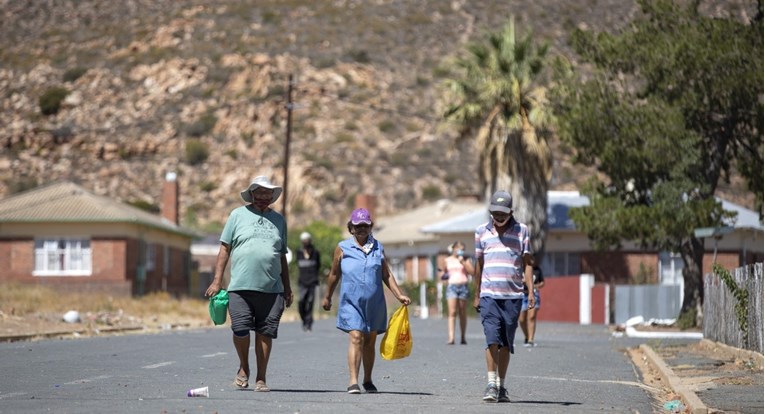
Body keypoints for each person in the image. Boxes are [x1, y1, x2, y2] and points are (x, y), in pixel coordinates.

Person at [205, 175, 294, 393]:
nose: (263, 197)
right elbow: (225, 248)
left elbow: (282, 255)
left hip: (272, 289)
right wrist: (217, 281)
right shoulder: (237, 215)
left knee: (265, 332)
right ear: (251, 194)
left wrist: (288, 287)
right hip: (240, 287)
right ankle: (244, 366)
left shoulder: (279, 220)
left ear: (272, 197)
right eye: (259, 193)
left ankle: (261, 378)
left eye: (267, 193)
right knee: (240, 329)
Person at [322, 208, 411, 394]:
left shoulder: (378, 247)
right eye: (358, 226)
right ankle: (353, 381)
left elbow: (386, 274)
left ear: (370, 227)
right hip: (351, 303)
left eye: (365, 225)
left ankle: (368, 379)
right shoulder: (342, 247)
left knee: (370, 341)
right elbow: (334, 274)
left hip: (375, 303)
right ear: (351, 228)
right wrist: (327, 296)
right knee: (356, 337)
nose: (362, 228)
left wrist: (399, 294)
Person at [473, 190, 534, 403]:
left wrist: (531, 291)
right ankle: (490, 384)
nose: (499, 217)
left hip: (513, 296)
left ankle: (501, 385)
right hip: (489, 294)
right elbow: (478, 266)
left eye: (503, 213)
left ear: (511, 212)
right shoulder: (481, 232)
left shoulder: (522, 231)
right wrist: (476, 294)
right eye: (495, 213)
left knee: (506, 343)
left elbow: (527, 263)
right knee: (492, 338)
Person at [442, 241, 474, 345]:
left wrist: (463, 262)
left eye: (462, 249)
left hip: (463, 286)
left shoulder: (466, 259)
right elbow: (443, 272)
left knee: (462, 312)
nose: (460, 251)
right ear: (454, 248)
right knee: (452, 312)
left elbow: (472, 272)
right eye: (458, 249)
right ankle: (451, 337)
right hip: (452, 287)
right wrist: (444, 278)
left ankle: (463, 336)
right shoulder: (447, 260)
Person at [297, 231, 321, 332]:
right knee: (301, 301)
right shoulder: (298, 252)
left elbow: (318, 266)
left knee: (310, 302)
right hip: (302, 282)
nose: (306, 242)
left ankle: (309, 323)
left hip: (312, 282)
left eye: (307, 240)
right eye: (304, 241)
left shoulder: (316, 252)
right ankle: (304, 319)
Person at [519, 265, 545, 347]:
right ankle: (527, 336)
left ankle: (531, 340)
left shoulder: (537, 270)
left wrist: (534, 286)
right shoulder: (520, 267)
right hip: (522, 294)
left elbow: (542, 282)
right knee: (521, 319)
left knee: (531, 316)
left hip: (534, 294)